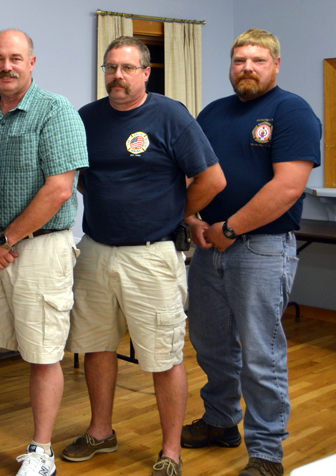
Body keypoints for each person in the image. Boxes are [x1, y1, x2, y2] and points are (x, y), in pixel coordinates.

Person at [61, 36, 226, 476]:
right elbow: (81, 180)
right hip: (95, 251)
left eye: (127, 68)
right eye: (110, 67)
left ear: (145, 72)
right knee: (96, 347)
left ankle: (170, 451)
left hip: (152, 257)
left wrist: (176, 212)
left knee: (163, 355)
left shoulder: (170, 115)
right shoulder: (87, 118)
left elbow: (212, 179)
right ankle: (101, 432)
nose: (117, 76)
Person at [183, 28, 321, 476]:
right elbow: (190, 174)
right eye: (239, 59)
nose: (247, 68)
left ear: (276, 65)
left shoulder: (291, 110)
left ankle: (265, 453)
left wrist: (232, 227)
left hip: (260, 249)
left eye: (258, 60)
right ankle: (221, 421)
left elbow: (287, 187)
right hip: (208, 247)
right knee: (210, 345)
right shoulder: (212, 113)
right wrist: (195, 220)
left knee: (262, 354)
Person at [0, 29, 88, 476]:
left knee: (43, 353)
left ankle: (41, 450)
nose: (5, 66)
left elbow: (59, 189)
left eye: (15, 58)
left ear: (32, 62)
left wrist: (6, 240)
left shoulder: (56, 110)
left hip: (40, 249)